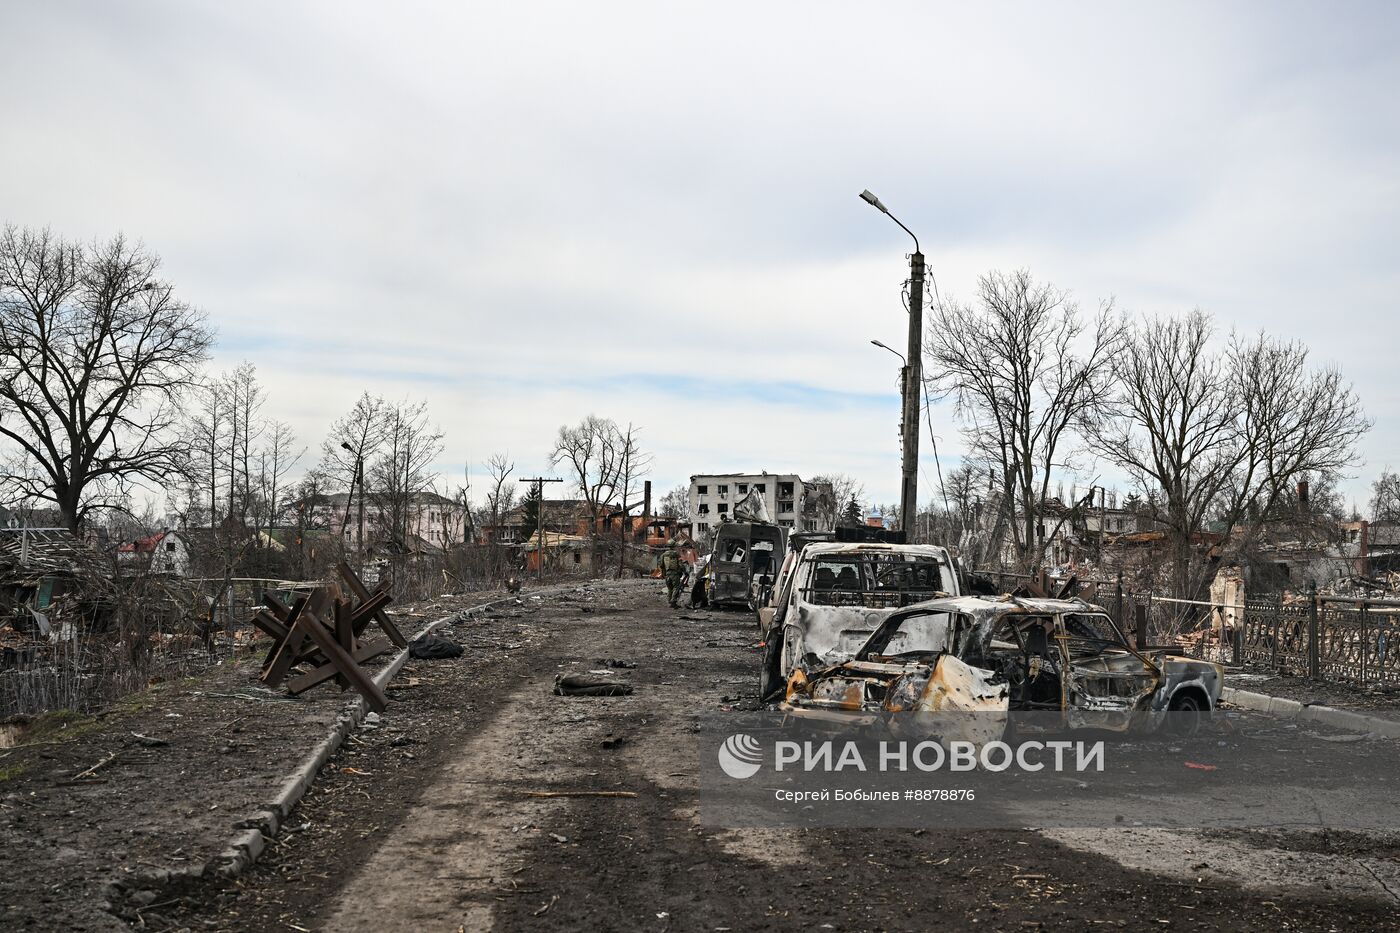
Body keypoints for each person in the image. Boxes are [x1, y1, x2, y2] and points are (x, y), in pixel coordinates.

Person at [658, 540, 684, 609]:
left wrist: (664, 573)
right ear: (674, 546)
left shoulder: (663, 555)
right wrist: (684, 571)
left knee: (670, 588)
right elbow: (681, 564)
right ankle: (673, 602)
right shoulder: (676, 554)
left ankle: (670, 601)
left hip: (667, 574)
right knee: (676, 587)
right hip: (675, 574)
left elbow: (661, 565)